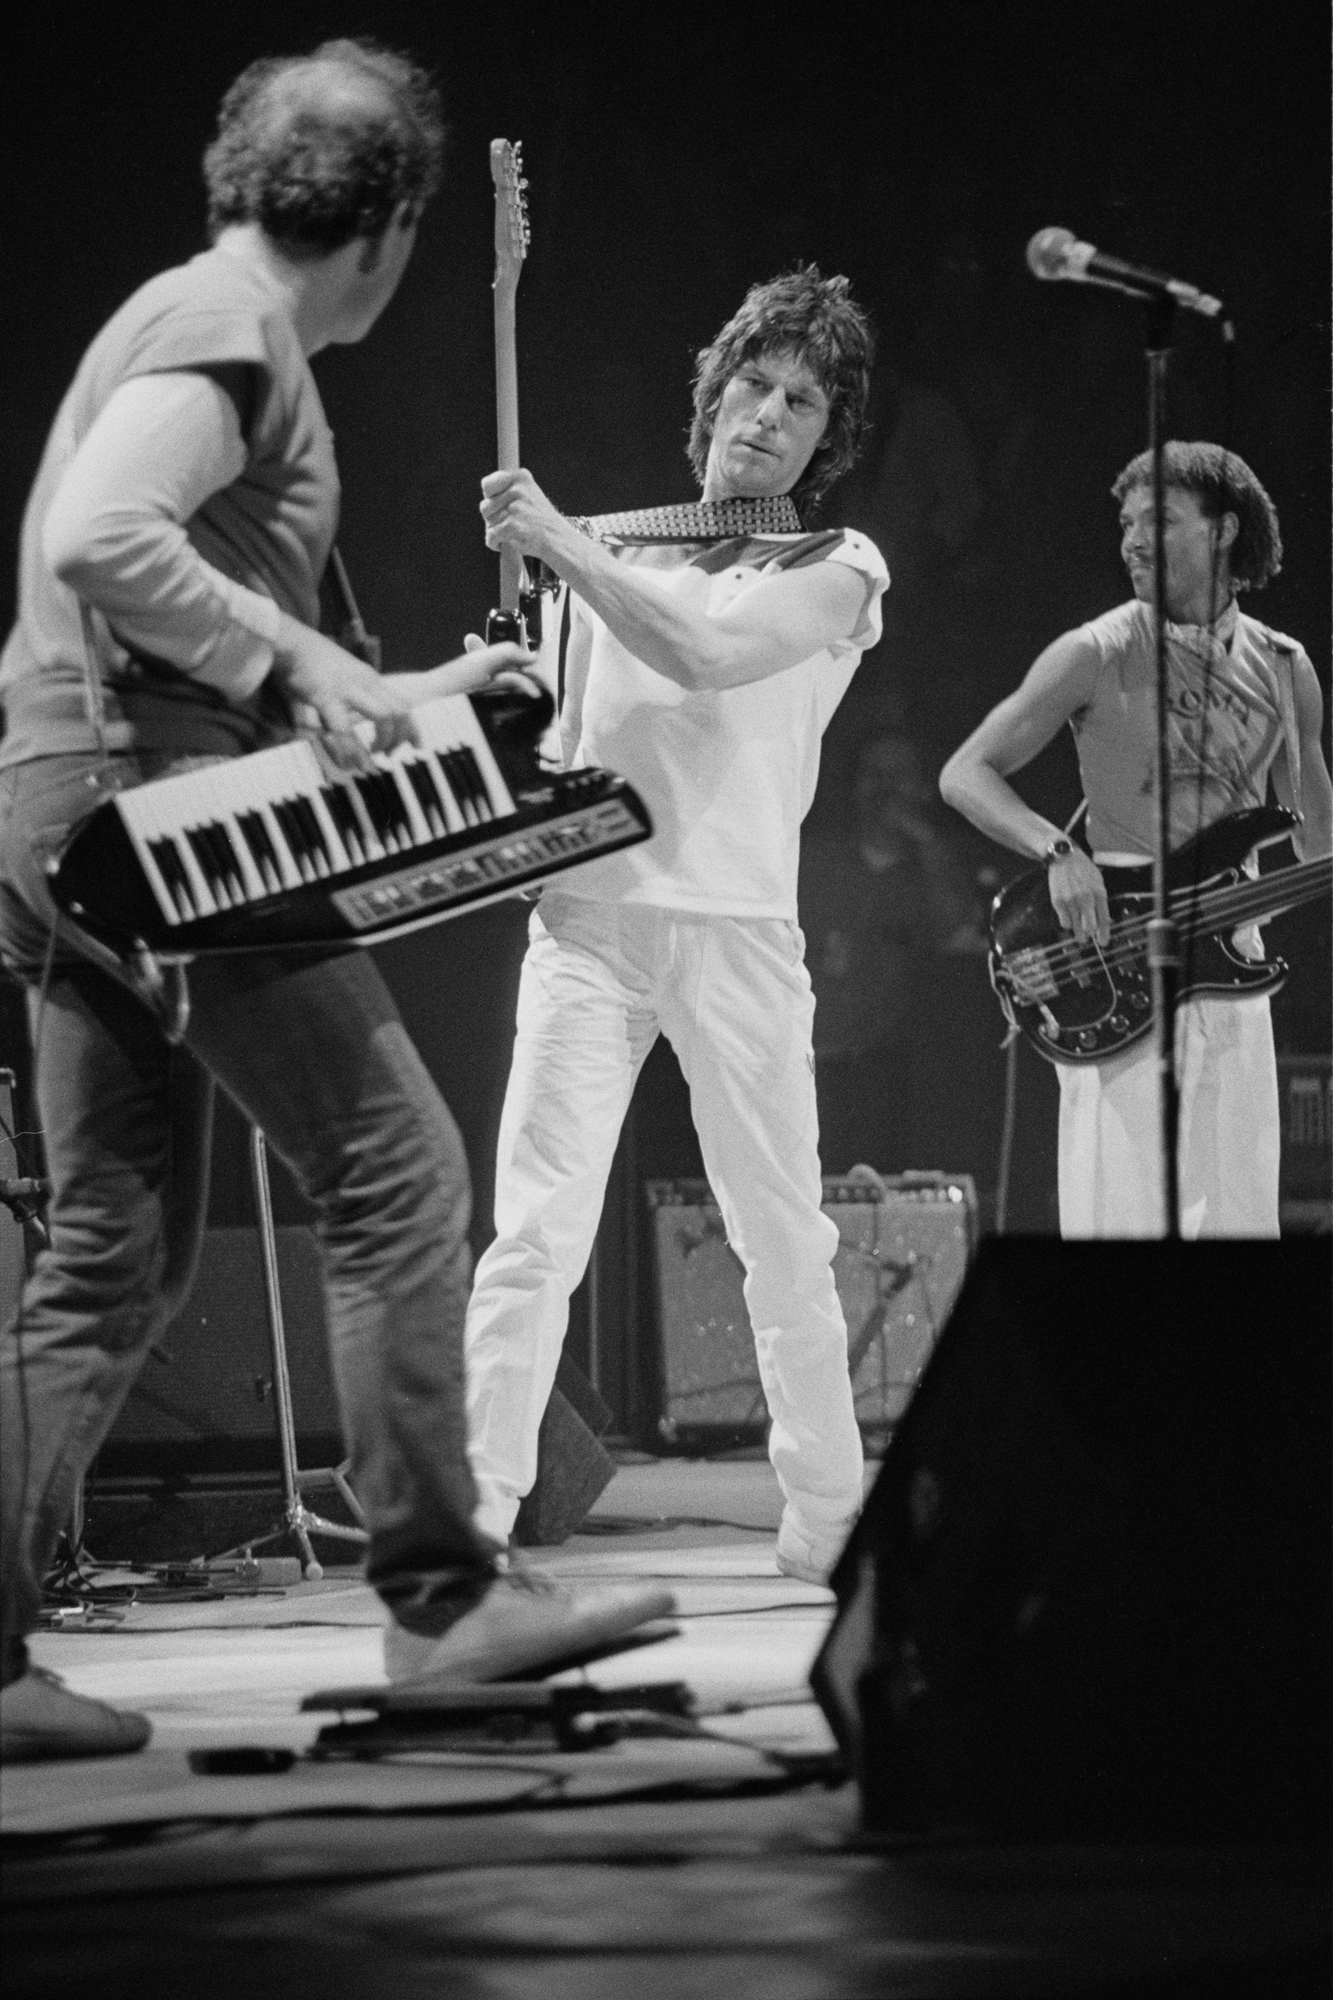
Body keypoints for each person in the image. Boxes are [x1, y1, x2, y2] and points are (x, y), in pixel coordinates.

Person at [0, 40, 668, 1766]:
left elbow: (165, 600)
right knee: (396, 1178)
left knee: (109, 1258)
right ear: (386, 227)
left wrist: (402, 694)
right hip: (156, 822)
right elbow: (100, 536)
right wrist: (297, 659)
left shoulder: (183, 314)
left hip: (66, 805)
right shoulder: (230, 330)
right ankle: (444, 1604)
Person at [467, 268, 888, 1586]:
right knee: (533, 1233)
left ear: (824, 441)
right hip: (587, 926)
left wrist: (563, 545)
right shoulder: (605, 549)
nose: (769, 414)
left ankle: (828, 1517)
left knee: (782, 1239)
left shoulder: (836, 566)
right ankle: (469, 1525)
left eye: (802, 403)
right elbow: (537, 736)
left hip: (738, 931)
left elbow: (706, 658)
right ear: (712, 396)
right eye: (754, 384)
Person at [940, 442, 1333, 1237]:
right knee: (1120, 1226)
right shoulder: (1096, 650)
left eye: (1156, 520)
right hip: (1117, 958)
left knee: (1238, 1221)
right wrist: (1057, 851)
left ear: (1222, 530)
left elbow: (1316, 838)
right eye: (1124, 524)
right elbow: (965, 772)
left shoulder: (1284, 666)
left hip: (1233, 958)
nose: (1130, 541)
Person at [798, 730, 987, 1175]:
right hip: (804, 1065)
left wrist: (927, 842)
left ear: (922, 786)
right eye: (873, 774)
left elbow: (961, 934)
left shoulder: (929, 871)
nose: (885, 786)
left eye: (898, 775)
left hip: (886, 1077)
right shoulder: (814, 859)